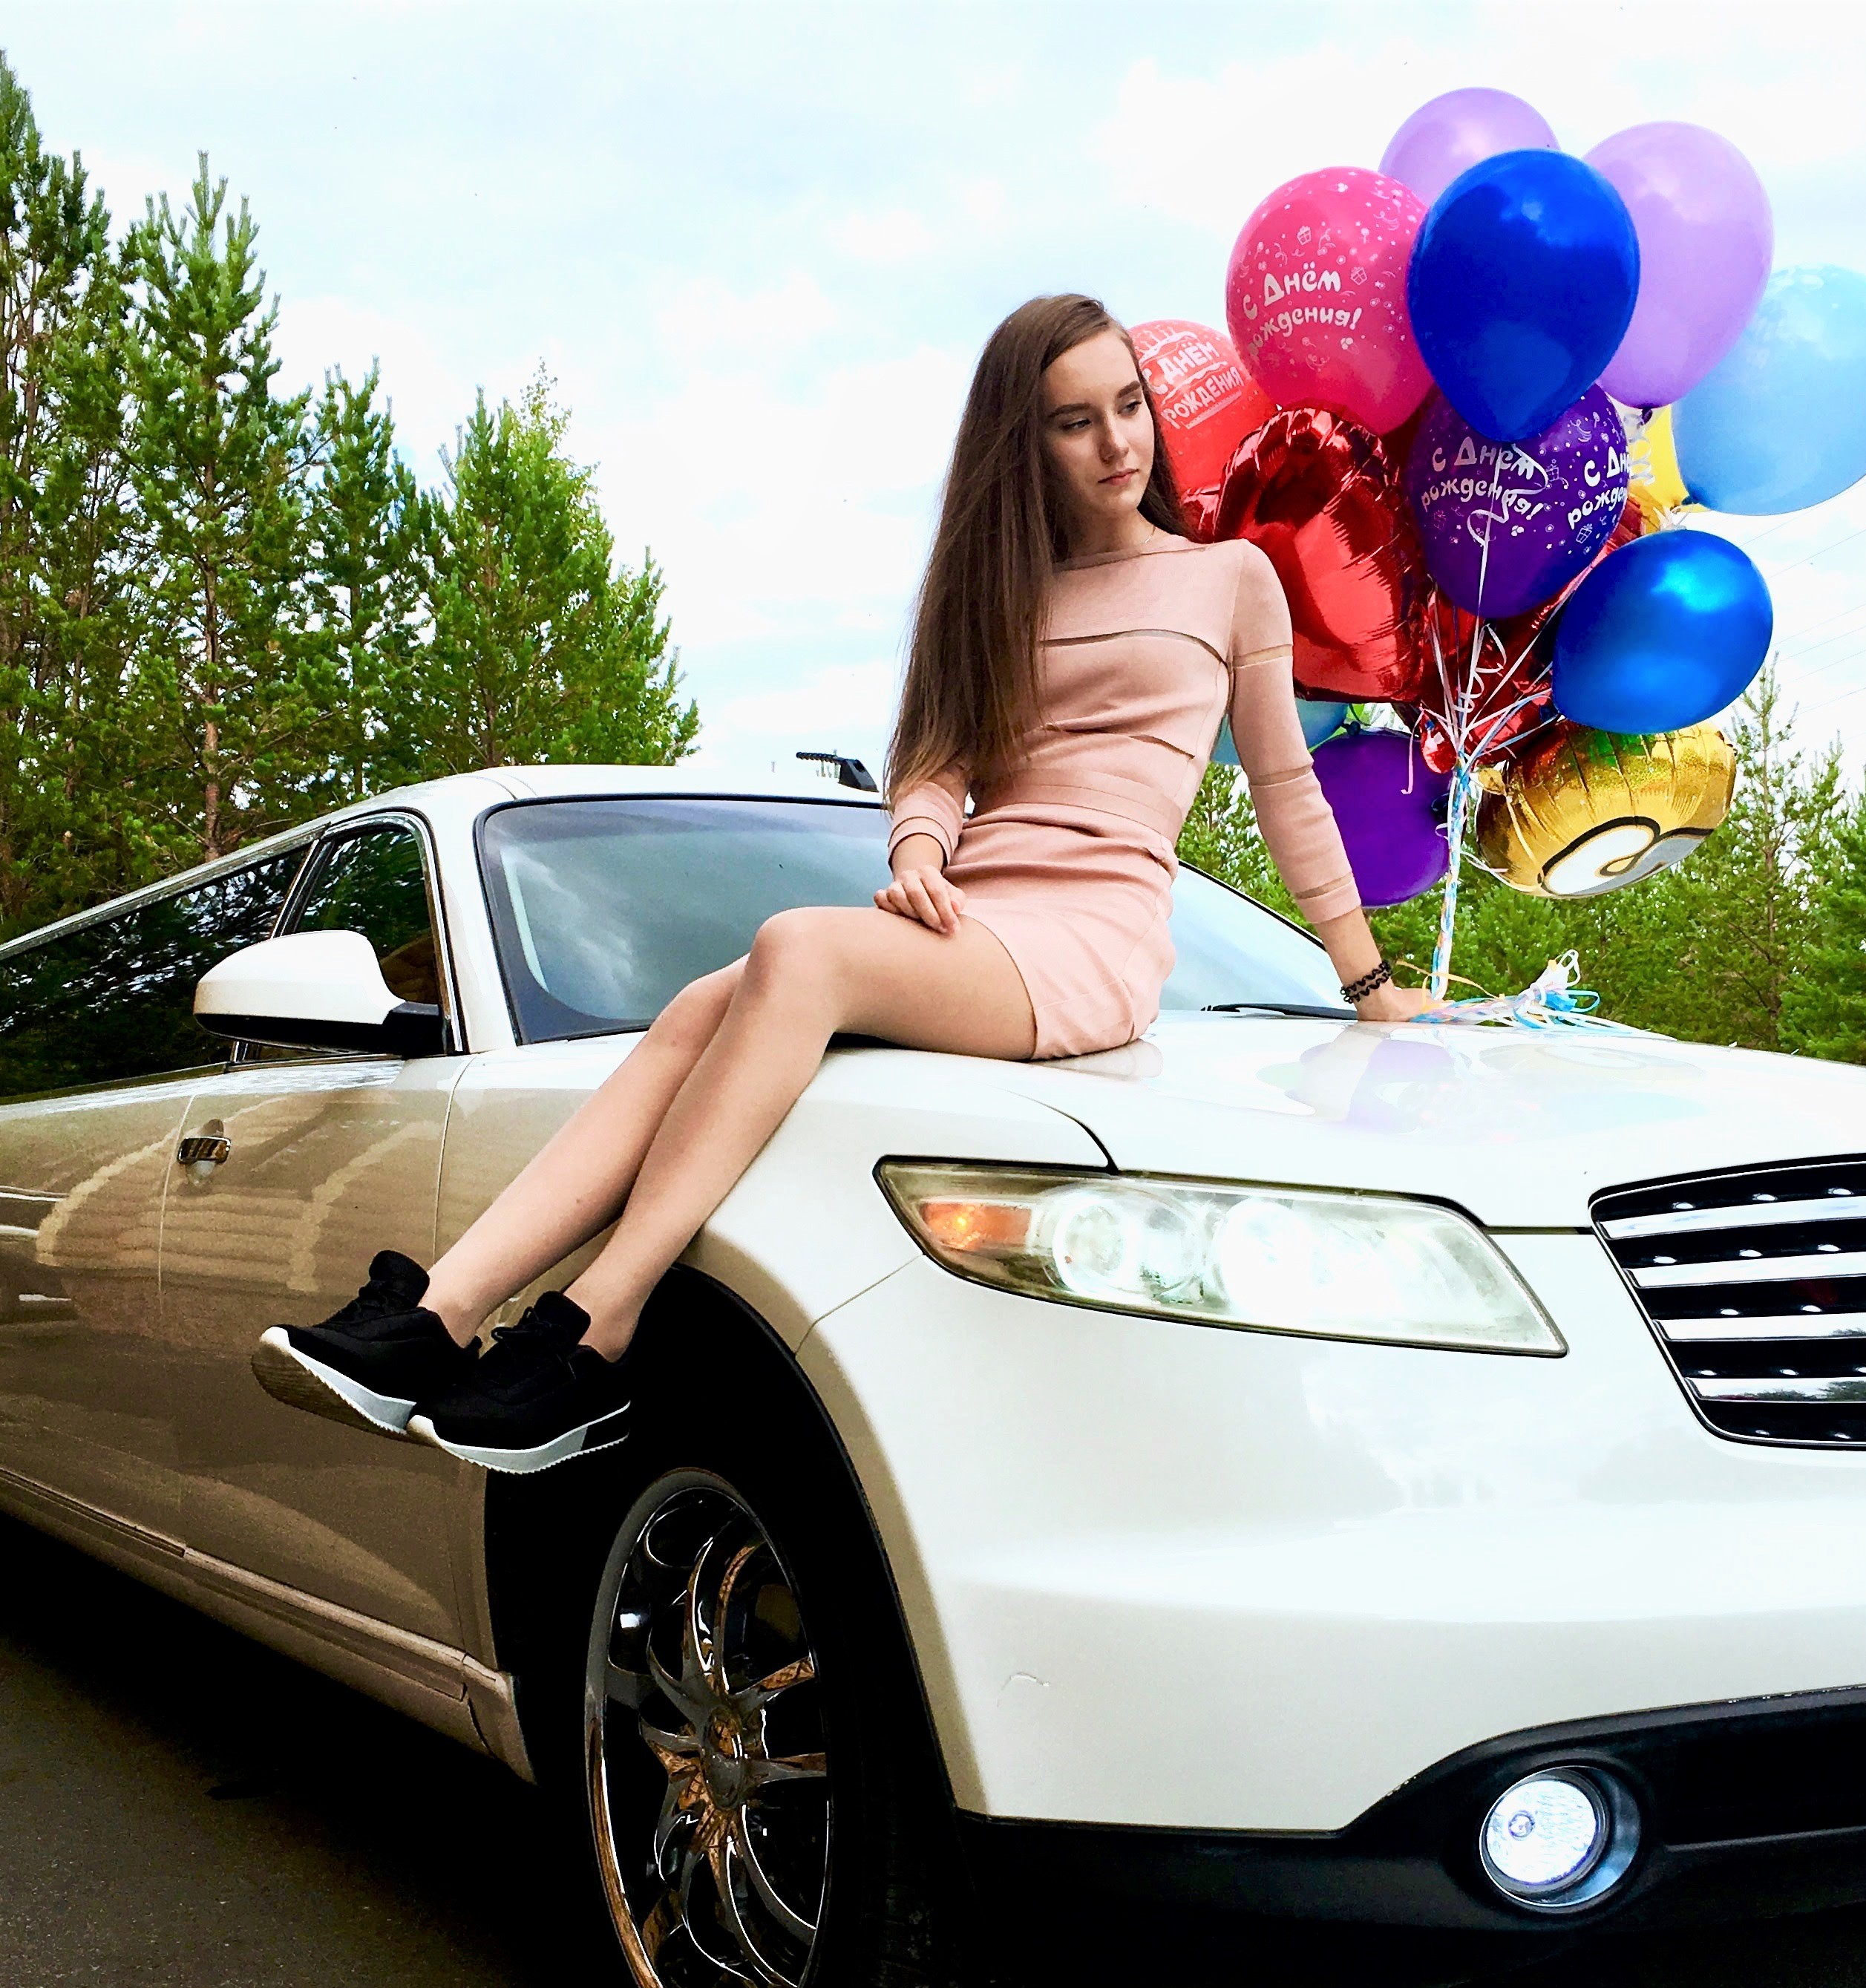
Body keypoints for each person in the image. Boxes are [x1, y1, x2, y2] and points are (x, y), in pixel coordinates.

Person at [252, 293, 1435, 1472]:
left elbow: (1287, 786)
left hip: (1093, 937)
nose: (1117, 443)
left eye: (1130, 407)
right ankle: (441, 1312)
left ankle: (597, 1328)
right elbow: (938, 764)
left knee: (796, 949)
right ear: (1023, 444)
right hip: (974, 916)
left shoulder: (1229, 578)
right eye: (1076, 422)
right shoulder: (999, 589)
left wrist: (1367, 982)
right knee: (698, 1008)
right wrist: (918, 854)